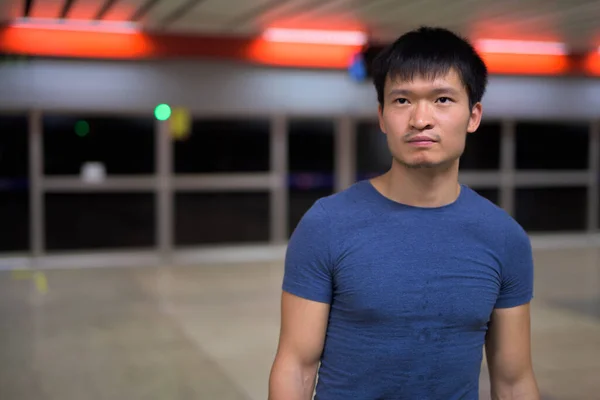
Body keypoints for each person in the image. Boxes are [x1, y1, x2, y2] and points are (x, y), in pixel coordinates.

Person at [268, 26, 539, 400]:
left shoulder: (505, 238)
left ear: (473, 116)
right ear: (382, 117)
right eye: (402, 101)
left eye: (442, 100)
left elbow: (513, 382)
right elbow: (296, 366)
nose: (420, 119)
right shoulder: (327, 224)